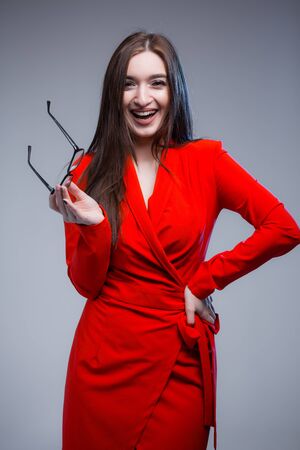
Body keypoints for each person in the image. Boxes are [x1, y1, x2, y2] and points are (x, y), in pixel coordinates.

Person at [49, 31, 300, 450]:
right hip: (101, 362)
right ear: (115, 93)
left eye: (156, 82)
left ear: (174, 89)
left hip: (177, 364)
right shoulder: (87, 170)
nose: (142, 97)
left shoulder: (207, 160)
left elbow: (284, 227)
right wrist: (92, 227)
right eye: (129, 83)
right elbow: (86, 284)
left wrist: (205, 279)